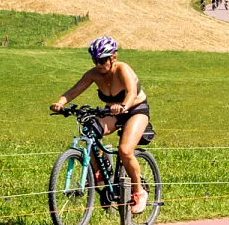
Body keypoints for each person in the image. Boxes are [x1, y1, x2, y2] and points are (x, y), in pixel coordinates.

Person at [49, 37, 152, 213]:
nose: (98, 65)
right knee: (90, 130)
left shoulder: (123, 69)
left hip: (135, 110)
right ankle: (98, 172)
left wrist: (125, 106)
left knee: (125, 150)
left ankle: (139, 192)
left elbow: (131, 92)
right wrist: (60, 103)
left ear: (113, 57)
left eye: (102, 60)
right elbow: (75, 90)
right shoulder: (93, 74)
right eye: (95, 60)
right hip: (112, 112)